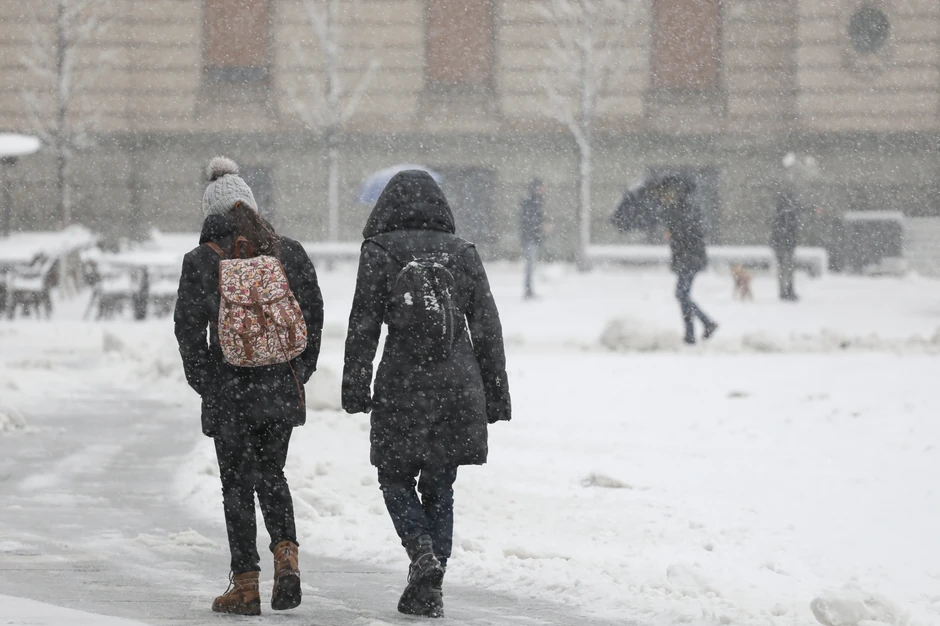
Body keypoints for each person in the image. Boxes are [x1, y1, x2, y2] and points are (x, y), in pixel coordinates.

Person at [342, 170, 511, 619]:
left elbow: (363, 324)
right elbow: (488, 328)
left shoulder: (380, 251)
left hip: (402, 382)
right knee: (440, 483)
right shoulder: (463, 252)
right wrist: (496, 394)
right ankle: (431, 585)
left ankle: (421, 553)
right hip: (459, 384)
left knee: (394, 476)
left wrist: (355, 384)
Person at [174, 157, 323, 616]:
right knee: (272, 474)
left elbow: (187, 331)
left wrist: (208, 382)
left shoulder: (201, 260)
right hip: (279, 387)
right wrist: (298, 370)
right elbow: (313, 316)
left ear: (210, 213)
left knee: (236, 485)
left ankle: (245, 585)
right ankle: (286, 554)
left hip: (229, 391)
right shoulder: (288, 252)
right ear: (253, 207)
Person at [658, 175, 718, 345]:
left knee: (681, 294)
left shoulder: (683, 209)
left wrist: (673, 232)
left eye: (667, 192)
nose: (664, 196)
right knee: (682, 295)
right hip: (688, 258)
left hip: (690, 258)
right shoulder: (679, 208)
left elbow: (688, 233)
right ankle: (694, 331)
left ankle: (703, 325)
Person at [771, 187, 802, 301]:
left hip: (781, 244)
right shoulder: (787, 213)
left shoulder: (781, 212)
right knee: (787, 269)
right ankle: (787, 290)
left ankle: (785, 290)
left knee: (783, 269)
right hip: (786, 244)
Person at [518, 177, 546, 299]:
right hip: (530, 237)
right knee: (530, 265)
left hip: (533, 237)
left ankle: (529, 289)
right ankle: (528, 290)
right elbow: (528, 221)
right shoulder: (530, 201)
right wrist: (540, 227)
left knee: (531, 264)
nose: (543, 189)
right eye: (541, 186)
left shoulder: (536, 200)